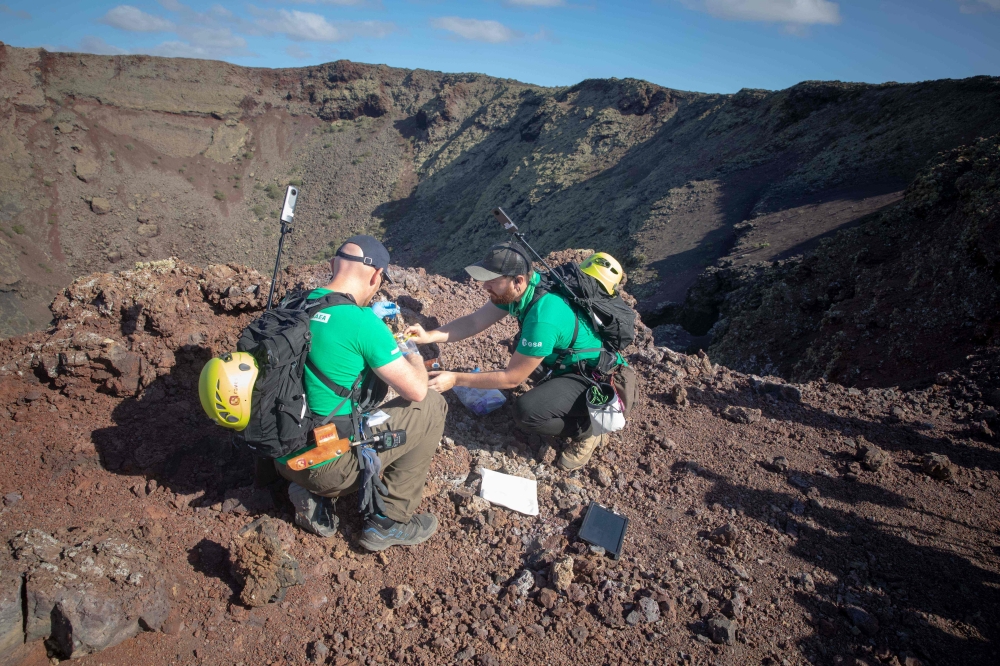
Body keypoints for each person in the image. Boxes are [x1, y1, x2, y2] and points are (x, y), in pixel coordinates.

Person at [274, 235, 447, 551]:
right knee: (433, 405)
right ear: (376, 276)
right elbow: (418, 390)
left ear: (332, 265)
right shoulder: (362, 322)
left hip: (281, 453)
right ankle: (389, 521)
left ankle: (309, 493)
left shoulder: (292, 304)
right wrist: (405, 344)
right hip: (326, 466)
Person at [404, 242, 635, 471]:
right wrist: (429, 336)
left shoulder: (543, 317)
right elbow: (475, 321)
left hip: (594, 377)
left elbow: (512, 379)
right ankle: (558, 391)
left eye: (493, 281)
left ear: (518, 281)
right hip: (568, 361)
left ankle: (591, 429)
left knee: (527, 412)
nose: (485, 287)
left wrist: (455, 379)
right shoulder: (527, 288)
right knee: (521, 347)